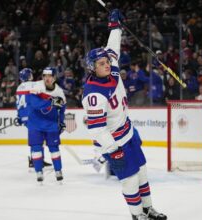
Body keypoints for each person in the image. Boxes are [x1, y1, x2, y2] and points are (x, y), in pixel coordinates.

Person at [82, 9, 167, 220]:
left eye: (106, 61)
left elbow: (113, 47)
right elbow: (97, 128)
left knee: (142, 172)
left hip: (129, 132)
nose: (107, 64)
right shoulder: (93, 94)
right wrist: (112, 149)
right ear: (92, 68)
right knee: (129, 179)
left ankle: (148, 209)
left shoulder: (111, 69)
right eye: (101, 63)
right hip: (116, 142)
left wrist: (115, 26)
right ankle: (137, 215)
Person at [27, 67, 66, 183]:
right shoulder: (36, 87)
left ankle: (58, 171)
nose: (47, 78)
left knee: (54, 149)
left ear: (54, 78)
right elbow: (34, 104)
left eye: (50, 76)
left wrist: (62, 122)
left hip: (51, 124)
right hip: (35, 123)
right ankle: (39, 171)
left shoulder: (59, 92)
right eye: (45, 76)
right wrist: (51, 102)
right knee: (36, 149)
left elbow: (62, 109)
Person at [16, 68, 52, 170]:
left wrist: (19, 116)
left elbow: (19, 104)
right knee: (39, 138)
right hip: (33, 116)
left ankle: (36, 159)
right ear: (29, 76)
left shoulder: (19, 87)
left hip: (24, 116)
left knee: (36, 138)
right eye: (31, 74)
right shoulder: (34, 85)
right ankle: (35, 160)